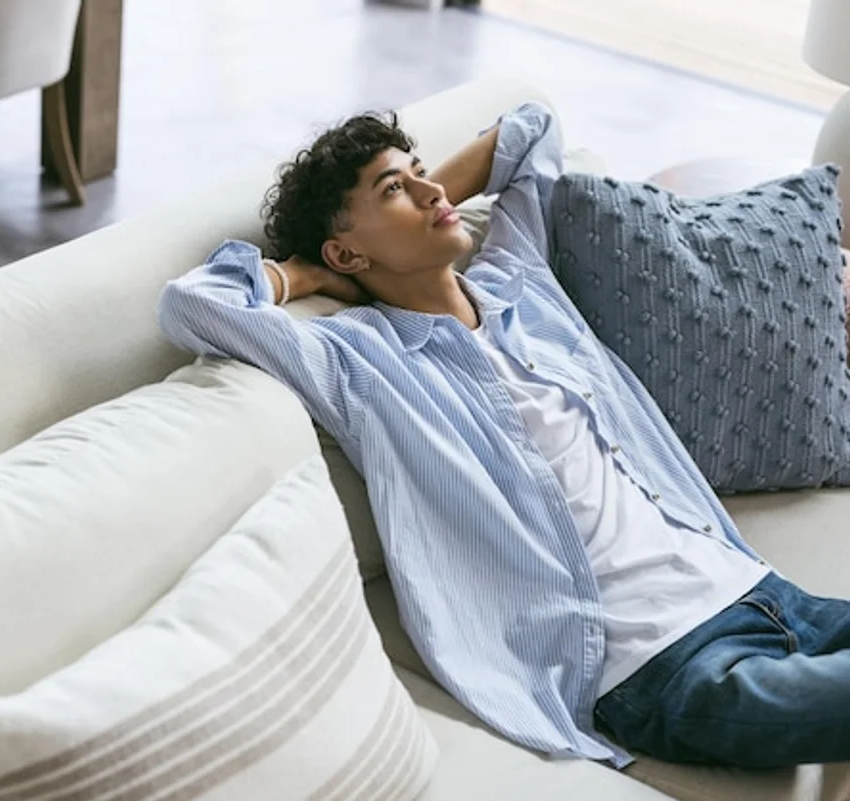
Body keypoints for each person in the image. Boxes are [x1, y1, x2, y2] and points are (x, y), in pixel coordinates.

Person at [156, 103, 850, 769]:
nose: (431, 190)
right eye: (395, 189)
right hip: (660, 663)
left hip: (756, 586)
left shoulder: (520, 281)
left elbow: (531, 129)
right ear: (346, 250)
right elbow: (195, 304)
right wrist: (309, 271)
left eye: (421, 170)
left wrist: (419, 200)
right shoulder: (361, 361)